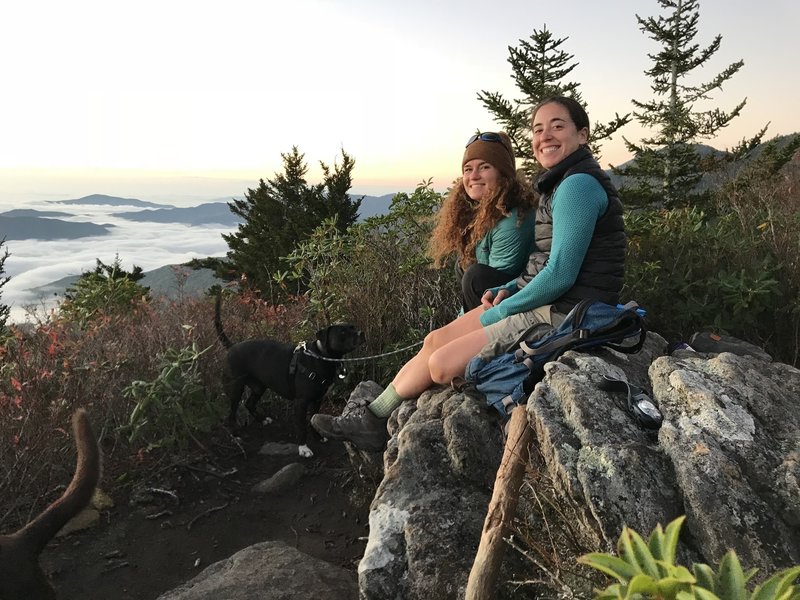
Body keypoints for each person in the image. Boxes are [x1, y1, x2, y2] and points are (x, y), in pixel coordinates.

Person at [311, 96, 626, 451]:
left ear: (582, 135)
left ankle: (376, 419)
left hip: (564, 312)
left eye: (558, 126)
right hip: (547, 301)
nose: (545, 136)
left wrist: (505, 307)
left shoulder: (577, 185)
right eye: (538, 129)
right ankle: (373, 418)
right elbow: (545, 261)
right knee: (433, 342)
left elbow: (560, 275)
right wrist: (509, 287)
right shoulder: (561, 183)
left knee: (442, 366)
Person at [427, 131, 536, 312]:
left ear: (503, 174)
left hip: (515, 304)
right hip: (493, 305)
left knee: (475, 276)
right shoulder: (483, 212)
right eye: (468, 169)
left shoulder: (513, 219)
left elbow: (493, 291)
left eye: (484, 167)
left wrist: (456, 333)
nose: (474, 176)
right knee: (464, 266)